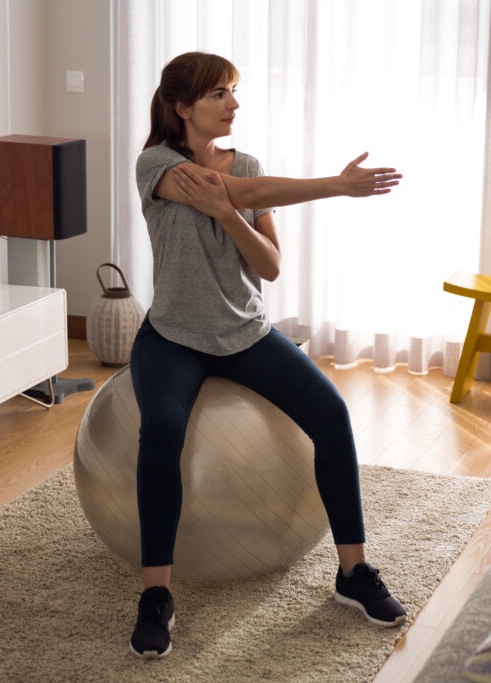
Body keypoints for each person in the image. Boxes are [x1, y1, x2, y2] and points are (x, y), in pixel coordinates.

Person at [129, 51, 405, 660]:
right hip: (173, 336)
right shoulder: (156, 164)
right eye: (219, 94)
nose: (234, 104)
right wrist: (335, 185)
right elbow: (246, 189)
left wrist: (229, 214)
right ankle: (156, 595)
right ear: (183, 107)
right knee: (163, 431)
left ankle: (353, 572)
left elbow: (270, 266)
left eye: (234, 92)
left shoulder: (246, 168)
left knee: (332, 417)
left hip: (247, 334)